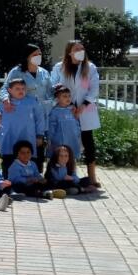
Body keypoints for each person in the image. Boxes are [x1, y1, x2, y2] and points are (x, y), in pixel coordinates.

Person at [49, 40, 102, 188]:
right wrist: (70, 105)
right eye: (76, 49)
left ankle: (92, 176)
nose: (80, 51)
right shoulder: (60, 67)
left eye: (82, 48)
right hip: (66, 110)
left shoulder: (90, 67)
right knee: (66, 141)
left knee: (88, 143)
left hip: (85, 111)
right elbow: (53, 85)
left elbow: (94, 89)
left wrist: (82, 106)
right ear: (69, 52)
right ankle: (63, 173)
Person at [0, 78, 47, 174]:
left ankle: (31, 182)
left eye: (23, 88)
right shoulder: (4, 104)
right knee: (9, 161)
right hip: (9, 138)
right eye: (17, 89)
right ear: (9, 90)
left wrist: (40, 135)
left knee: (29, 160)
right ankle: (8, 183)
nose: (21, 91)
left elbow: (40, 119)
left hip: (27, 137)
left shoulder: (32, 102)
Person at [0, 43, 54, 115]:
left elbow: (51, 91)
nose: (38, 57)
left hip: (42, 111)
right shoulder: (16, 71)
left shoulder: (44, 72)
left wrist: (50, 103)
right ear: (27, 57)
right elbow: (5, 87)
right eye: (35, 55)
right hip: (23, 110)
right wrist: (5, 99)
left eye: (40, 54)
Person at [47, 85, 84, 160]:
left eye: (69, 96)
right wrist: (49, 139)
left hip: (72, 140)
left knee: (71, 158)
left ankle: (72, 171)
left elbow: (77, 124)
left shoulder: (72, 110)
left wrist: (78, 135)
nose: (68, 98)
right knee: (58, 159)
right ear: (57, 99)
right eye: (64, 96)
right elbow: (51, 127)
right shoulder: (54, 112)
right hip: (59, 141)